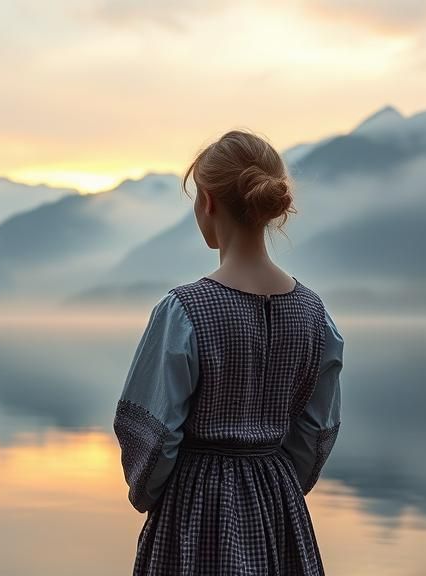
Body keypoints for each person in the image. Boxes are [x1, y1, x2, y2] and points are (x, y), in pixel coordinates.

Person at [113, 129, 345, 575]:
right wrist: (276, 485)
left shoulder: (183, 311)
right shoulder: (316, 315)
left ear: (208, 202)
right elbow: (316, 432)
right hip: (278, 505)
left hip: (196, 510)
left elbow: (153, 433)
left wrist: (147, 493)